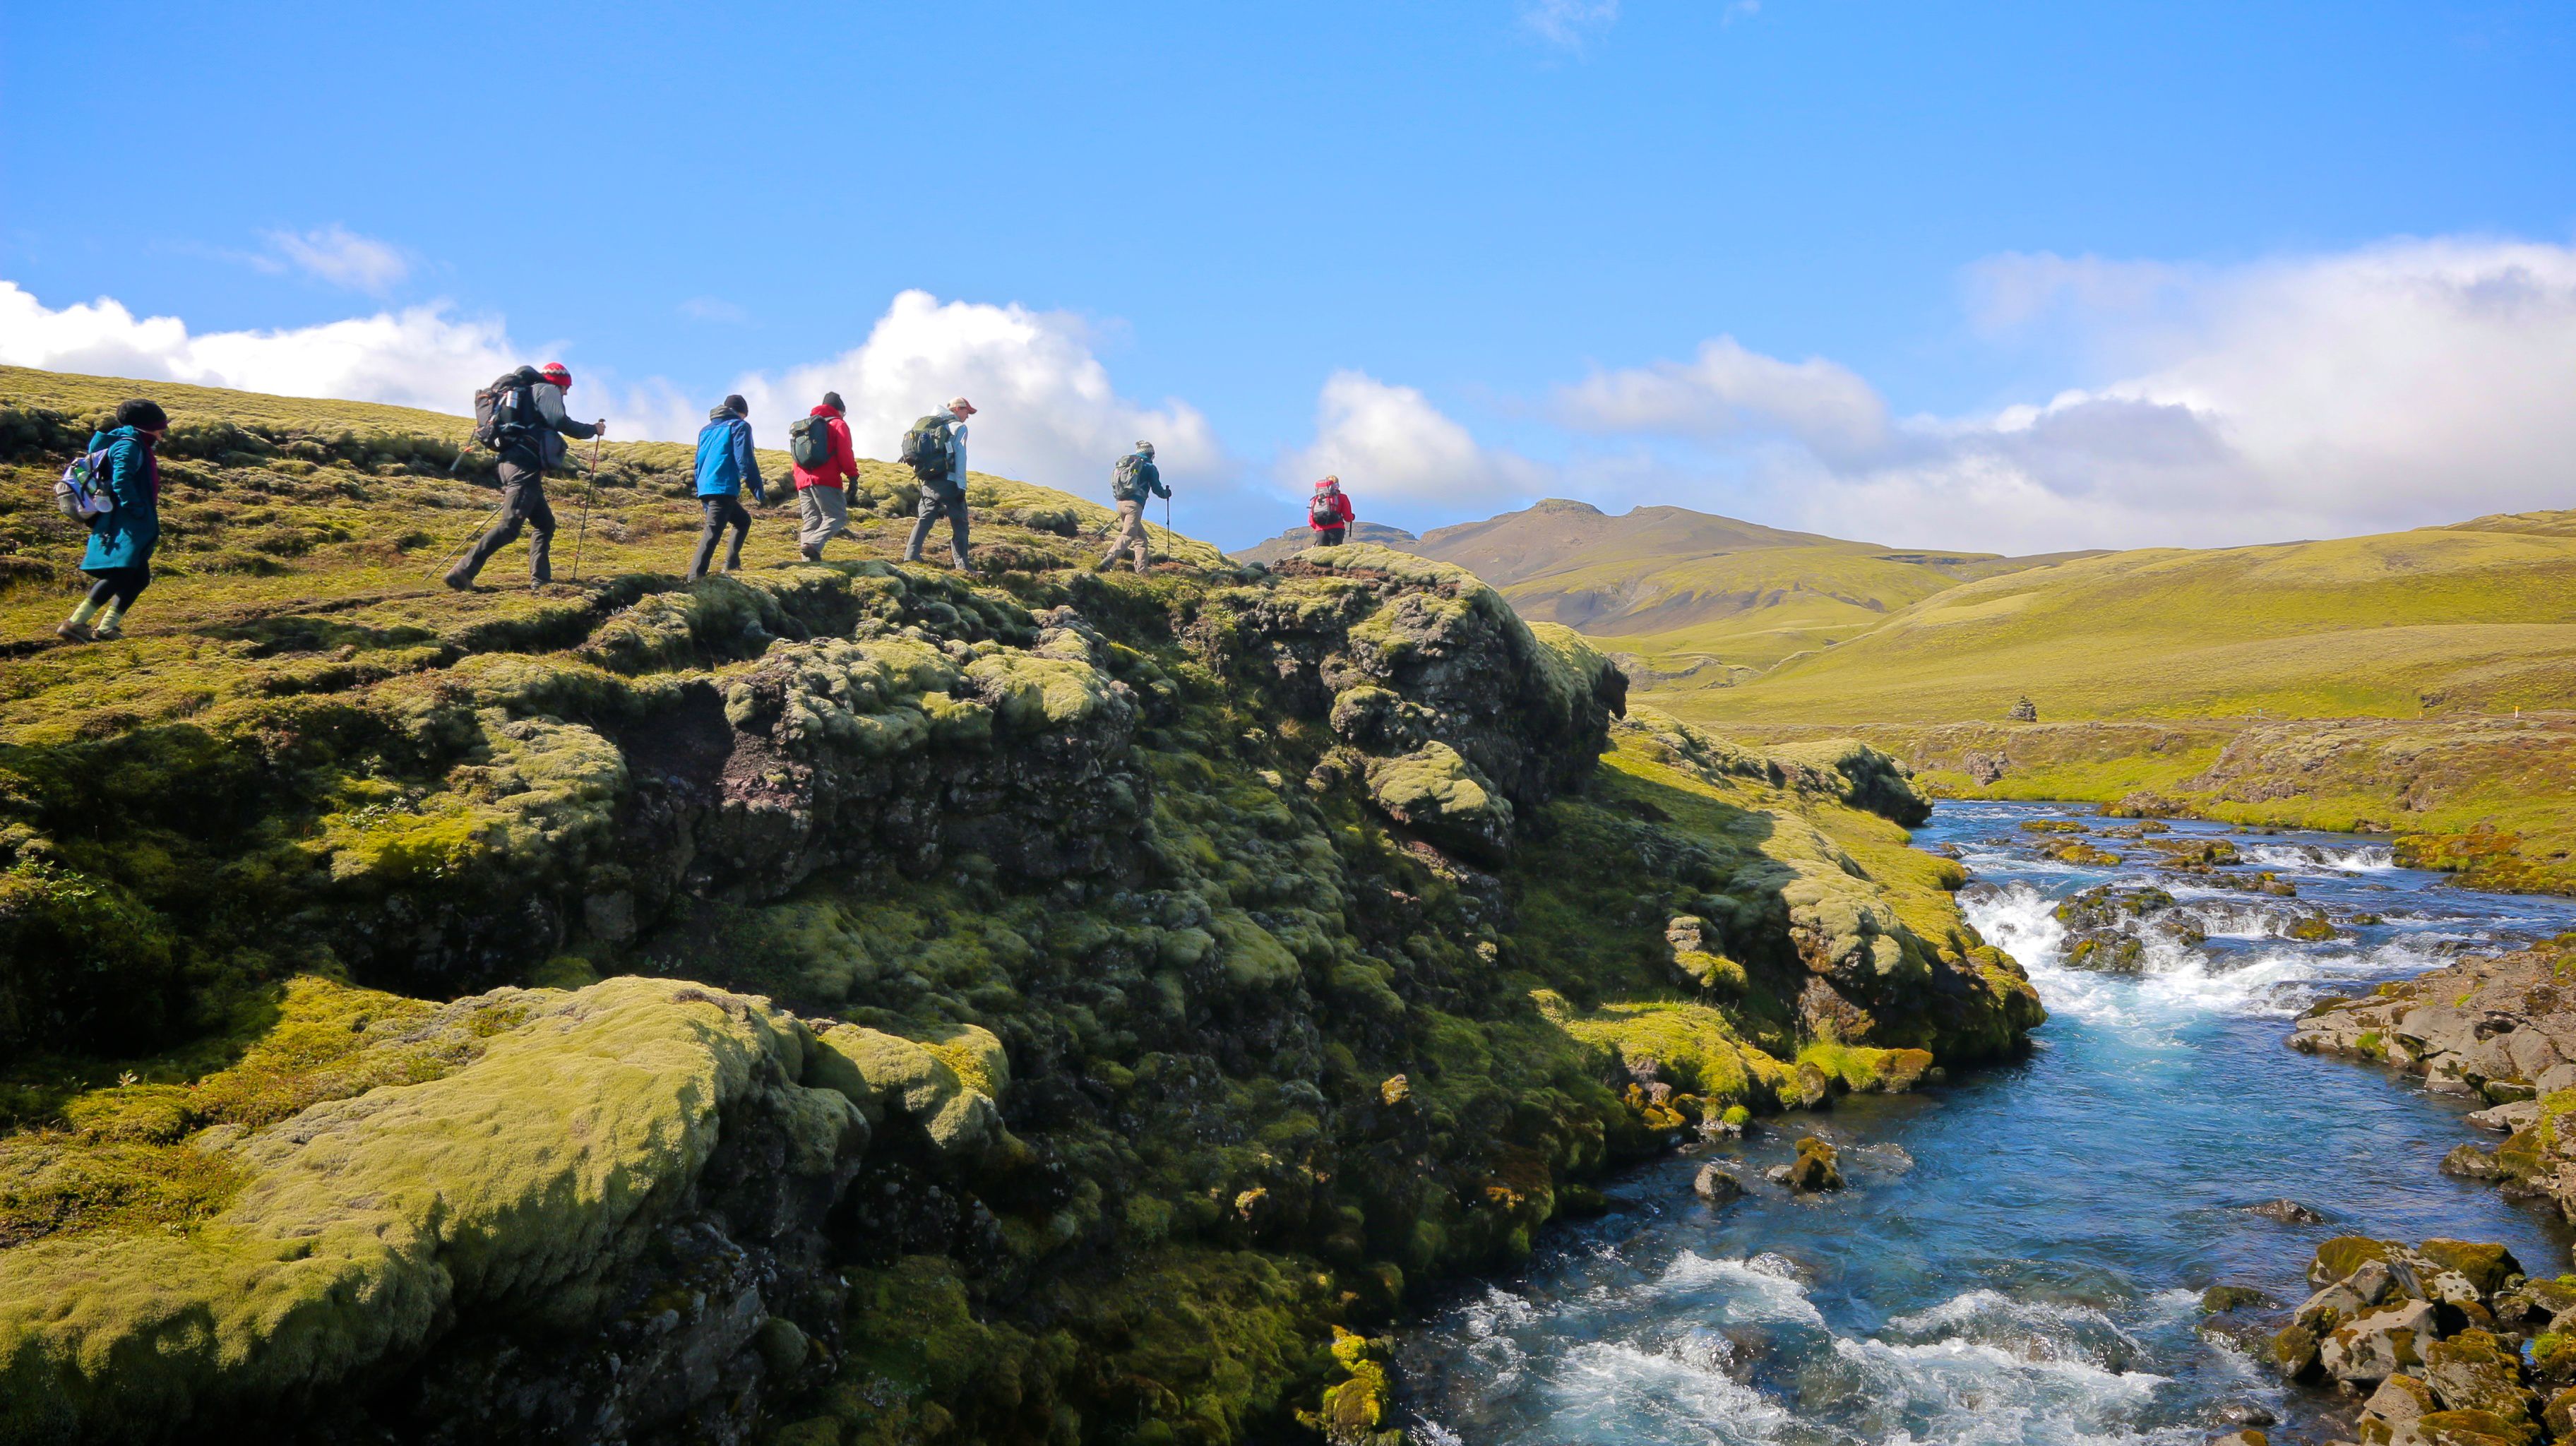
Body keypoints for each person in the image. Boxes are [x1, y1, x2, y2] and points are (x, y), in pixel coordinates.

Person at [446, 362, 604, 589]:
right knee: (509, 527)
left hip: (513, 464)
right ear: (557, 383)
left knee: (545, 524)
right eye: (565, 387)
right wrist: (592, 430)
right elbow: (559, 421)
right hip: (523, 466)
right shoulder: (546, 389)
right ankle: (462, 572)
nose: (567, 392)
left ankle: (541, 581)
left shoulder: (525, 394)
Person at [56, 398, 169, 643]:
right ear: (147, 425)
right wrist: (136, 510)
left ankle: (107, 627)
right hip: (126, 521)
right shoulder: (128, 446)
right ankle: (75, 623)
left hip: (128, 519)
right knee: (120, 573)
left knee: (139, 577)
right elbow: (122, 481)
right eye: (161, 425)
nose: (164, 430)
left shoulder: (136, 443)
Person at [688, 394, 768, 581]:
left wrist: (700, 487)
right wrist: (758, 490)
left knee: (742, 521)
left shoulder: (706, 430)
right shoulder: (739, 426)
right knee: (712, 532)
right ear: (741, 413)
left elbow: (698, 462)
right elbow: (745, 460)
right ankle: (695, 578)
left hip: (707, 485)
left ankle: (731, 564)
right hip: (722, 486)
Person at [904, 395, 977, 574]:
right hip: (950, 481)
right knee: (960, 524)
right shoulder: (959, 428)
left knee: (925, 518)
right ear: (957, 409)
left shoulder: (928, 424)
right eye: (967, 411)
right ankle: (963, 567)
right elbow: (960, 455)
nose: (968, 416)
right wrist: (961, 486)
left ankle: (910, 556)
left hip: (928, 480)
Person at [791, 390, 859, 561]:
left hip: (803, 480)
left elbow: (796, 457)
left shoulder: (806, 426)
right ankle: (813, 545)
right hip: (826, 480)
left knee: (812, 521)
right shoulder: (838, 424)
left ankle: (808, 565)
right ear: (840, 410)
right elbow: (845, 453)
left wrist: (800, 480)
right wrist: (852, 475)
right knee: (837, 516)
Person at [1097, 440, 1168, 574]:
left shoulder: (1128, 464)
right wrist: (1166, 494)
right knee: (1128, 535)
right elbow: (1157, 489)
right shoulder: (1149, 467)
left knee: (1141, 538)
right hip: (1134, 506)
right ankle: (1110, 559)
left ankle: (1143, 572)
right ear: (1150, 454)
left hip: (1120, 504)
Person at [1309, 474, 1354, 546]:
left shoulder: (1316, 499)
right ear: (1337, 485)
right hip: (1337, 530)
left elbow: (1311, 521)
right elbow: (1348, 518)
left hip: (1321, 532)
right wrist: (1353, 517)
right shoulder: (1343, 497)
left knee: (1322, 555)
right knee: (1335, 555)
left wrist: (1321, 527)